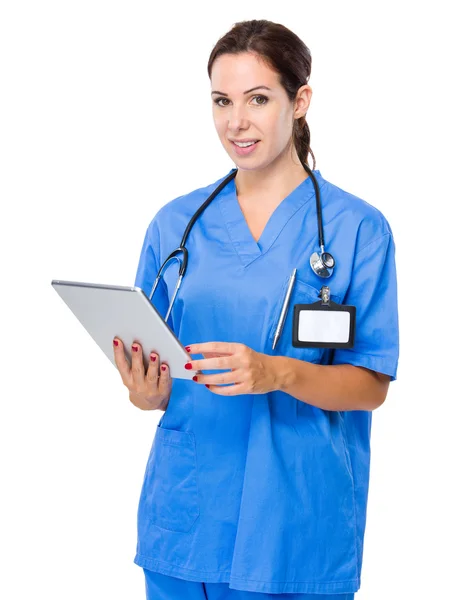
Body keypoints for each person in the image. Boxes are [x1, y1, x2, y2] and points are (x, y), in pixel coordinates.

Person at [113, 19, 399, 600]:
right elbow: (157, 376)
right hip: (187, 519)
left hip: (295, 526)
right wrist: (144, 392)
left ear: (300, 102)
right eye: (221, 101)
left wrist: (276, 373)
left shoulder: (356, 231)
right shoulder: (175, 226)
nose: (235, 121)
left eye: (258, 99)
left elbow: (371, 386)